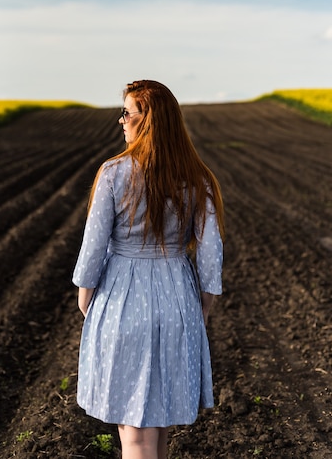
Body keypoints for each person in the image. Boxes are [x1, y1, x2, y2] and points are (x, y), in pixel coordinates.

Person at [72, 80, 224, 459]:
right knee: (158, 431)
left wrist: (87, 297)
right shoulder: (197, 178)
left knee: (135, 435)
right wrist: (202, 306)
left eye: (127, 113)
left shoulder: (113, 173)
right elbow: (210, 254)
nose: (120, 121)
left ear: (149, 121)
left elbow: (92, 248)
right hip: (178, 299)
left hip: (123, 298)